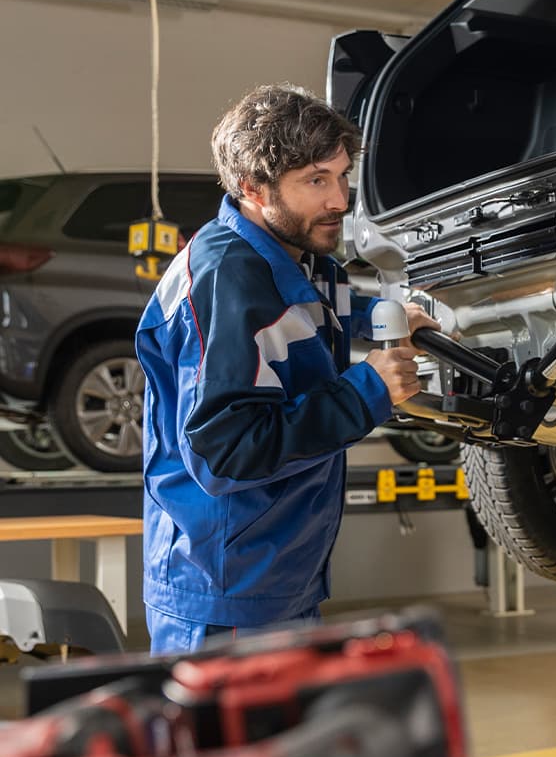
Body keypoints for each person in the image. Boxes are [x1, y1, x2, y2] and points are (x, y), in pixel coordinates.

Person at [137, 83, 434, 655]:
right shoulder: (231, 280)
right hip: (226, 592)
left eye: (342, 176)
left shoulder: (300, 256)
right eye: (315, 181)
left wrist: (387, 317)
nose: (340, 200)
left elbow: (309, 320)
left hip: (276, 573)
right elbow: (227, 453)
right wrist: (368, 390)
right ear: (252, 188)